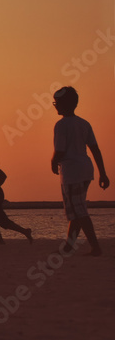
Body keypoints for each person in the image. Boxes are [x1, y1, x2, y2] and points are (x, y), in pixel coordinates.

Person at [52, 87, 109, 256]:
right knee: (75, 210)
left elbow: (60, 150)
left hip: (72, 171)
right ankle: (69, 246)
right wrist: (103, 173)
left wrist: (53, 161)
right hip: (85, 169)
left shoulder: (61, 125)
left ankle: (95, 246)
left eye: (57, 103)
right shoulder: (84, 123)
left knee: (79, 210)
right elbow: (95, 150)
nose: (55, 106)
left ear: (65, 104)